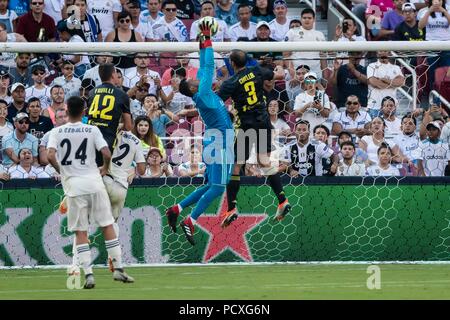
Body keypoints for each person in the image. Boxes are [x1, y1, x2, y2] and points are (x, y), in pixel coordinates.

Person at [47, 96, 134, 289]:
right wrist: (104, 168)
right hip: (95, 183)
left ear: (67, 110)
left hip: (74, 186)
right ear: (85, 111)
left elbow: (50, 155)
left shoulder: (57, 131)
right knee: (107, 225)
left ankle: (88, 274)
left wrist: (62, 171)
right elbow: (107, 153)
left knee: (81, 230)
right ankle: (119, 269)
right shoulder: (92, 129)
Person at [165, 21, 235, 246]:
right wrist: (207, 39)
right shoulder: (203, 93)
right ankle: (191, 220)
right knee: (217, 187)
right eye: (192, 79)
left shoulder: (202, 93)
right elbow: (209, 67)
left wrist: (202, 44)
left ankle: (177, 208)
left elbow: (205, 67)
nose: (196, 77)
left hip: (214, 140)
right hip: (219, 142)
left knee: (210, 185)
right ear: (193, 87)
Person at [217, 47, 290, 225]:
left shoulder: (230, 83)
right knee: (264, 161)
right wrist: (264, 63)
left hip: (246, 126)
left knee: (236, 166)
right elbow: (274, 74)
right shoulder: (256, 71)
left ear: (232, 63)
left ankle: (231, 208)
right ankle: (282, 200)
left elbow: (216, 102)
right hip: (264, 121)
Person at [87, 63, 133, 165]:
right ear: (113, 75)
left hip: (90, 139)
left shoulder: (91, 92)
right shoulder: (121, 95)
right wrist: (119, 125)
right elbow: (128, 126)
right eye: (116, 73)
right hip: (108, 141)